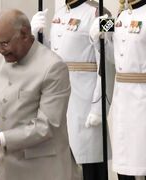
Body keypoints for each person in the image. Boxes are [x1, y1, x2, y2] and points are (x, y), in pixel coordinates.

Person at [0, 9, 75, 180]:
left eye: (5, 43)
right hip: (7, 167)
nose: (0, 50)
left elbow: (46, 126)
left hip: (41, 167)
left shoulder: (52, 67)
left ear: (24, 34)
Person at [31, 1, 111, 179]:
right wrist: (36, 37)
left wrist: (99, 107)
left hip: (86, 100)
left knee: (89, 161)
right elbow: (51, 57)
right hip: (60, 96)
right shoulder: (59, 14)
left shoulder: (101, 11)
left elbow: (108, 63)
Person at [93, 0, 146, 179]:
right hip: (122, 98)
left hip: (142, 97)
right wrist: (98, 37)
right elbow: (114, 59)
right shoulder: (119, 16)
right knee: (123, 160)